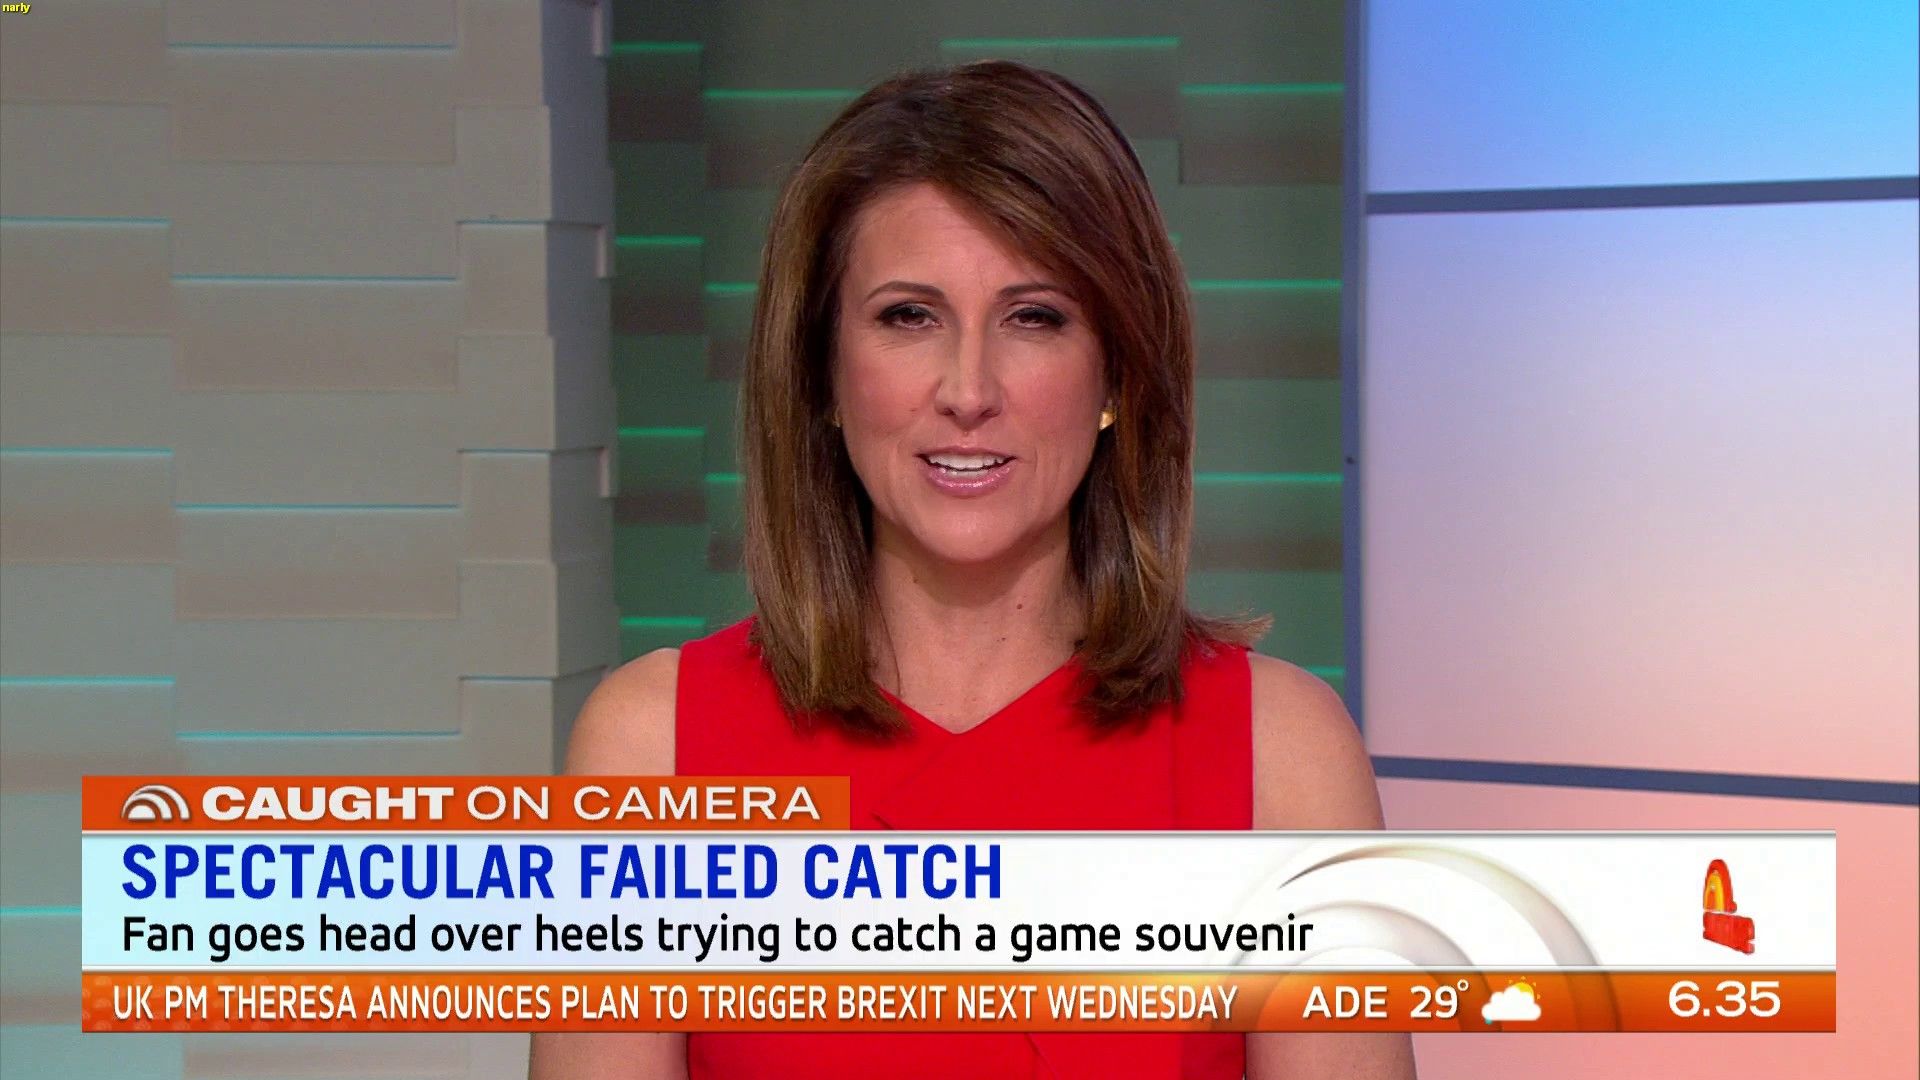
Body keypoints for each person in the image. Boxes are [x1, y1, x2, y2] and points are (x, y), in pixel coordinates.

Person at [530, 60, 1415, 1080]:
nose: (968, 389)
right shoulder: (652, 748)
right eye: (909, 316)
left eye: (1034, 317)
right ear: (823, 374)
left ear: (1117, 372)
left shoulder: (1280, 756)